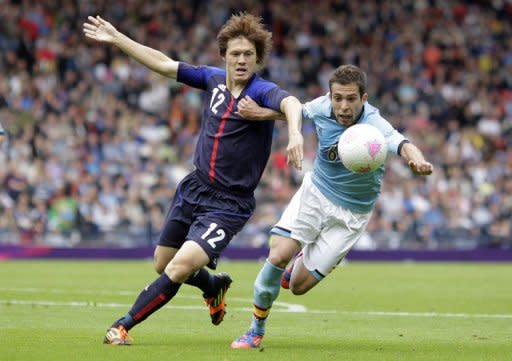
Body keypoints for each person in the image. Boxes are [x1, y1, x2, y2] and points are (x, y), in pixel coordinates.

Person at [83, 13, 304, 345]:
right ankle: (213, 286)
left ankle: (121, 326)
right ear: (224, 57)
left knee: (180, 266)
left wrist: (296, 134)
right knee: (164, 262)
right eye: (235, 54)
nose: (241, 60)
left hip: (229, 204)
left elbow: (291, 102)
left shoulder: (261, 91)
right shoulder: (212, 80)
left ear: (257, 59)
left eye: (248, 55)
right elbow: (163, 64)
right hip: (194, 188)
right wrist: (118, 39)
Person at [230, 64, 434, 349]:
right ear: (330, 95)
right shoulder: (323, 106)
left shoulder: (375, 126)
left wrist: (417, 160)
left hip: (352, 215)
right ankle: (255, 330)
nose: (343, 105)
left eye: (351, 98)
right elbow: (295, 112)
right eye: (338, 97)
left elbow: (402, 143)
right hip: (316, 193)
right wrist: (259, 113)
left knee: (297, 287)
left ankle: (303, 261)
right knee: (277, 256)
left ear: (364, 99)